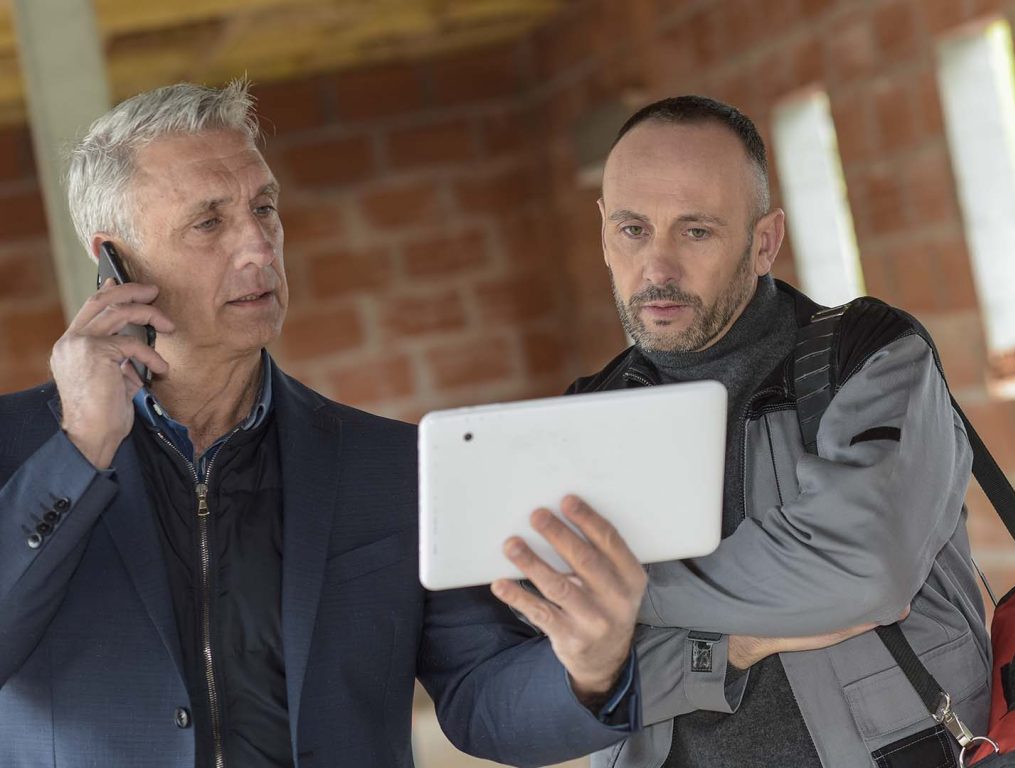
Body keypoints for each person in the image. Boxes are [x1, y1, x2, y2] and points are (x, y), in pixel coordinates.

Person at [0, 80, 644, 768]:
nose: (258, 246)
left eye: (264, 208)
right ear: (116, 259)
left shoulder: (395, 466)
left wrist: (590, 669)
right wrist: (80, 448)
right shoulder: (16, 448)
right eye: (209, 223)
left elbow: (481, 698)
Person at [572, 96, 991, 768]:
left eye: (695, 231)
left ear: (764, 242)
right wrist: (741, 642)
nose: (657, 268)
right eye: (632, 230)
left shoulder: (867, 355)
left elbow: (862, 569)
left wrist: (621, 592)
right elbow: (564, 672)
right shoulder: (585, 415)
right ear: (603, 234)